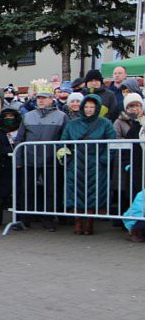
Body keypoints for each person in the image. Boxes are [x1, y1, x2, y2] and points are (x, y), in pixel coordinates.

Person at [59, 94, 116, 235]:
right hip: (76, 164)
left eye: (92, 107)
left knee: (94, 193)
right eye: (86, 106)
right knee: (75, 193)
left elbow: (112, 143)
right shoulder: (72, 124)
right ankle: (78, 223)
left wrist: (104, 159)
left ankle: (89, 223)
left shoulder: (105, 123)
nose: (89, 109)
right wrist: (67, 159)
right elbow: (63, 143)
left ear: (97, 108)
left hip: (96, 164)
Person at [15, 87, 68, 230]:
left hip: (51, 161)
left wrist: (61, 159)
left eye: (44, 97)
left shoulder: (61, 116)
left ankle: (48, 219)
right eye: (39, 98)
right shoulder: (28, 116)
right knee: (27, 190)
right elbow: (20, 138)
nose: (41, 100)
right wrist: (18, 160)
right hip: (29, 160)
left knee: (51, 190)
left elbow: (64, 139)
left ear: (52, 98)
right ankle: (24, 219)